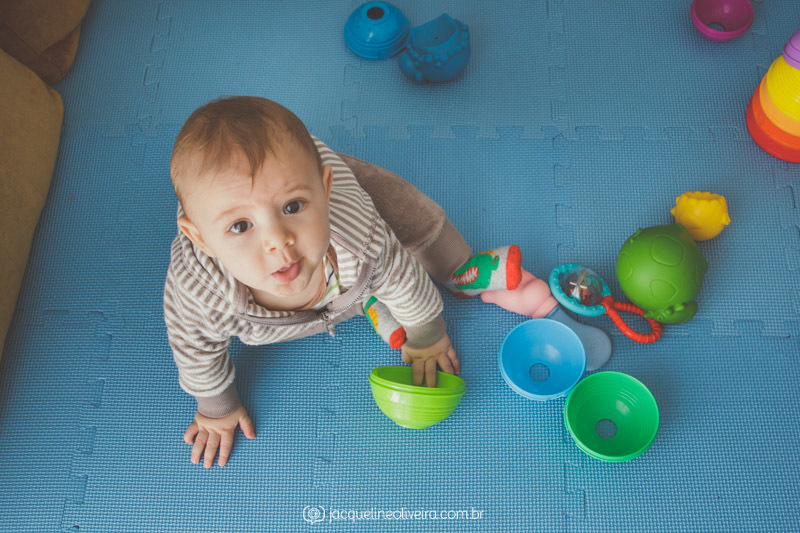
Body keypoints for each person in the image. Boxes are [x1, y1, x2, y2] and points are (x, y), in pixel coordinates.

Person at [164, 96, 523, 468]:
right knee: (372, 277)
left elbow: (404, 279)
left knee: (404, 209)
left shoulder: (361, 238)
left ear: (323, 189)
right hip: (325, 270)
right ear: (201, 239)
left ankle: (456, 266)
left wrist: (427, 336)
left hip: (347, 221)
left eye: (292, 207)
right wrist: (217, 407)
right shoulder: (200, 294)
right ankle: (365, 299)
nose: (278, 240)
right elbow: (194, 348)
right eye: (240, 226)